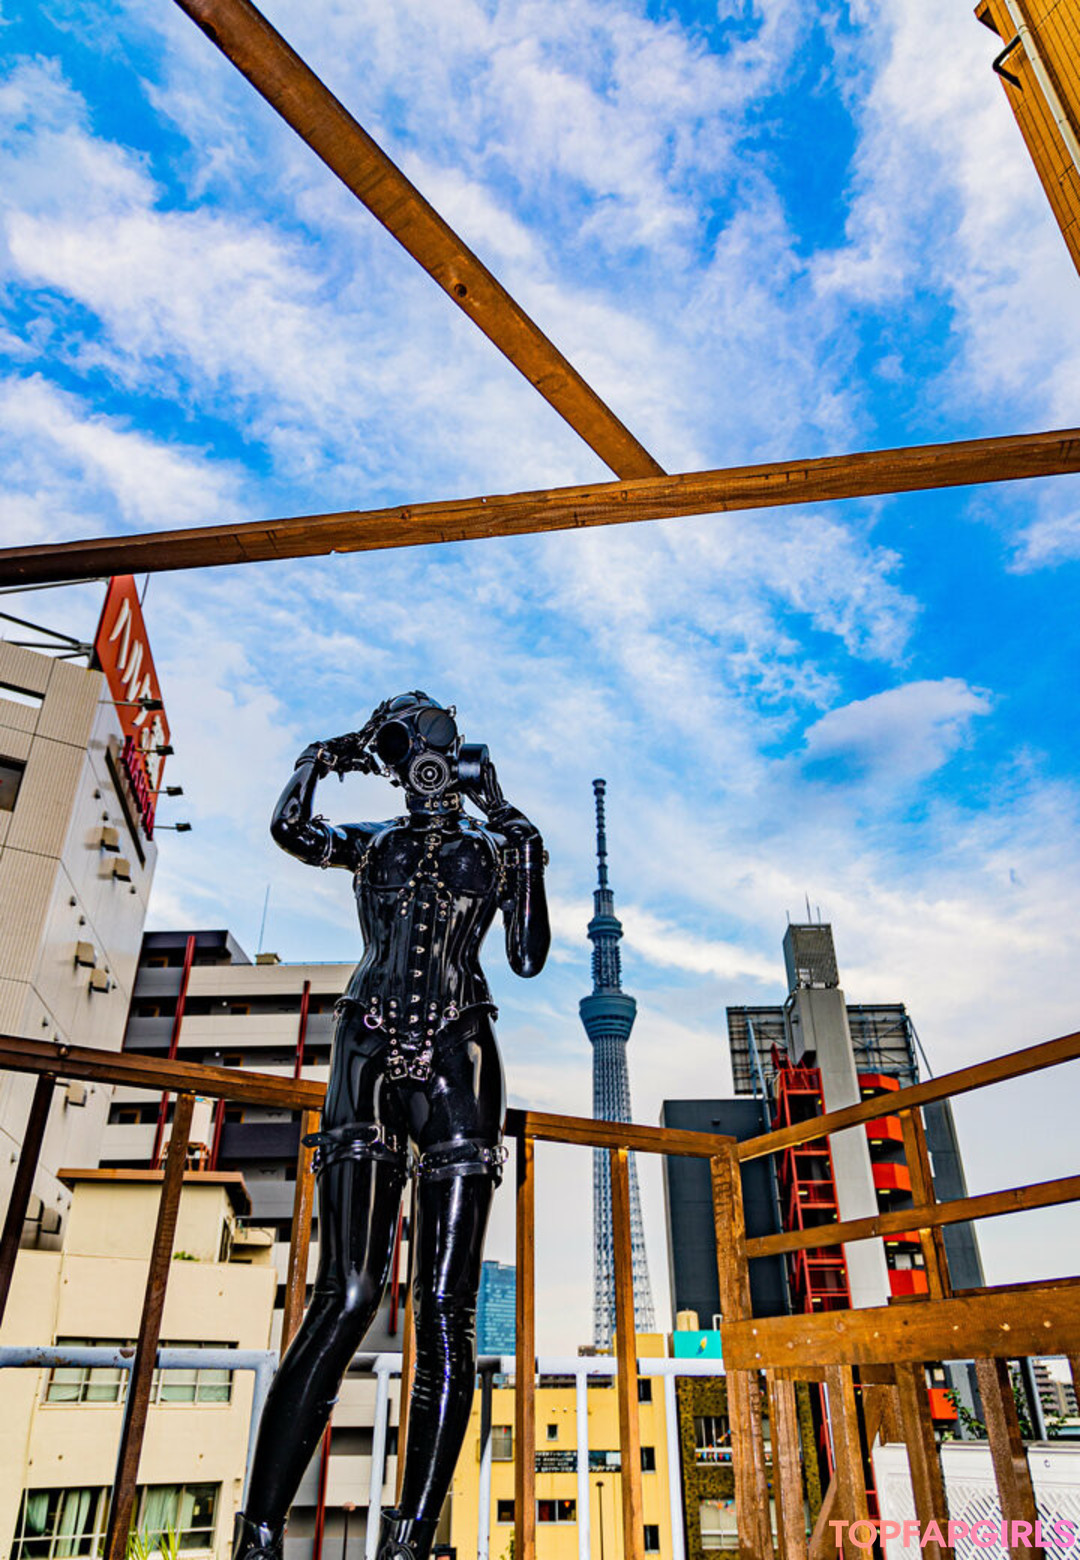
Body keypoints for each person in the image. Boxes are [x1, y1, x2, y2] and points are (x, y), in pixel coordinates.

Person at [231, 692, 550, 1560]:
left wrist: (510, 820)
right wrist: (323, 753)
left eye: (427, 746)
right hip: (366, 1050)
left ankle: (411, 1541)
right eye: (402, 752)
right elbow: (292, 831)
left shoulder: (497, 846)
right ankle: (259, 1535)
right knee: (347, 1292)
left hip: (459, 1058)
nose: (420, 767)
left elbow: (526, 956)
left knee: (444, 1306)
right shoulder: (372, 841)